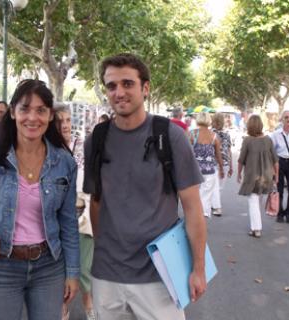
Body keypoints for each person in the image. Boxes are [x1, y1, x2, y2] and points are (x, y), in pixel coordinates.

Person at [84, 53, 207, 320]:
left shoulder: (171, 137)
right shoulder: (96, 140)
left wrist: (198, 268)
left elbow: (193, 208)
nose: (119, 92)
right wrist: (103, 250)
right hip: (107, 277)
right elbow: (96, 201)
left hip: (160, 276)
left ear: (146, 88)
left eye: (128, 84)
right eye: (112, 86)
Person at [0, 80, 79, 320]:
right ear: (13, 112)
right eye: (25, 108)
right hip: (0, 265)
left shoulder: (64, 162)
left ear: (51, 115)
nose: (33, 117)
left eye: (41, 110)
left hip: (49, 267)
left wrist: (72, 273)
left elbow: (69, 222)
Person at [54, 105, 95, 320]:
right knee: (59, 265)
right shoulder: (47, 148)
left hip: (84, 212)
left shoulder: (83, 145)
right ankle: (62, 307)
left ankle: (89, 304)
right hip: (56, 215)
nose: (65, 125)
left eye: (68, 120)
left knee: (85, 264)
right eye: (60, 121)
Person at [237, 115, 279, 238]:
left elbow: (241, 160)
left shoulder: (247, 140)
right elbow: (275, 160)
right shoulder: (268, 140)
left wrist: (239, 173)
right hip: (266, 176)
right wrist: (276, 176)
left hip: (252, 176)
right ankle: (255, 226)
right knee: (257, 201)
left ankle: (256, 229)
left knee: (253, 202)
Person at [189, 112, 224, 218]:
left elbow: (185, 151)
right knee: (206, 195)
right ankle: (202, 215)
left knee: (194, 194)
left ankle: (194, 214)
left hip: (194, 170)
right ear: (209, 121)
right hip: (209, 171)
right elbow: (218, 155)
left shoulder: (192, 134)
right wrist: (221, 168)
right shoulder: (214, 136)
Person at [211, 112, 233, 216]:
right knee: (219, 186)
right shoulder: (227, 134)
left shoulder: (210, 133)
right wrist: (231, 165)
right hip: (225, 163)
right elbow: (229, 151)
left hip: (213, 162)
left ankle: (215, 205)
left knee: (213, 185)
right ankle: (215, 206)